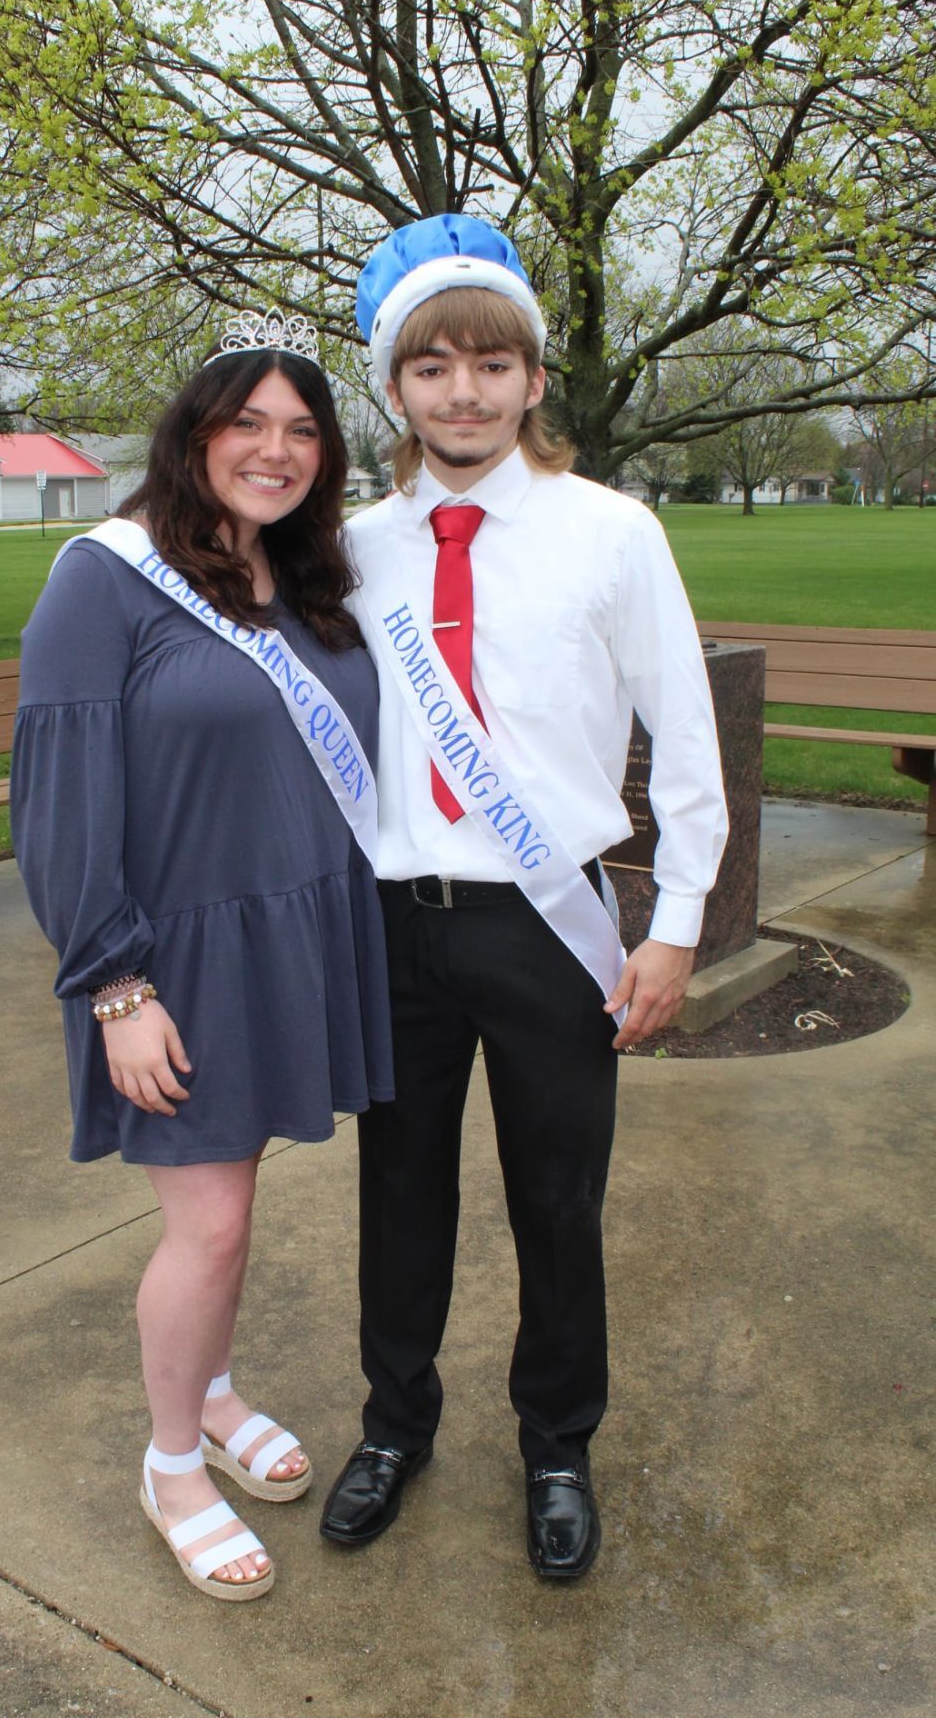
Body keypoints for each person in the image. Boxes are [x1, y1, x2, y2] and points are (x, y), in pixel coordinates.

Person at [318, 216, 729, 1579]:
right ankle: (395, 1426)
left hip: (548, 927)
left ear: (533, 379)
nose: (464, 393)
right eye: (431, 367)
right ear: (393, 388)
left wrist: (674, 928)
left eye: (491, 364)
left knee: (558, 1200)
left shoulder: (612, 533)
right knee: (399, 1194)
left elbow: (685, 741)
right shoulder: (349, 549)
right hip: (396, 923)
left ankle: (557, 1444)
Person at [11, 311, 393, 1602]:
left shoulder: (306, 578)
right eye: (248, 424)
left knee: (234, 1203)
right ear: (195, 434)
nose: (275, 451)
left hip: (285, 941)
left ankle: (215, 1393)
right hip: (169, 966)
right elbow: (60, 803)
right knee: (211, 1224)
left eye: (303, 431)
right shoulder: (104, 578)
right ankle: (173, 1465)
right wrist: (114, 987)